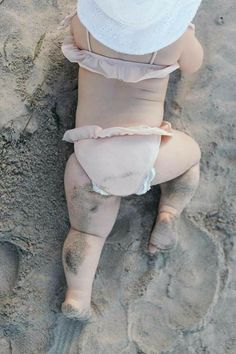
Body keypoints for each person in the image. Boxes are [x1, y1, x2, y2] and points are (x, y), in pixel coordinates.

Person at [60, 0, 203, 320]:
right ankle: (168, 212)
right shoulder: (174, 39)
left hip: (89, 158)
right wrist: (184, 34)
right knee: (191, 153)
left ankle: (77, 295)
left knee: (86, 232)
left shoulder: (84, 28)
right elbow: (194, 64)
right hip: (147, 155)